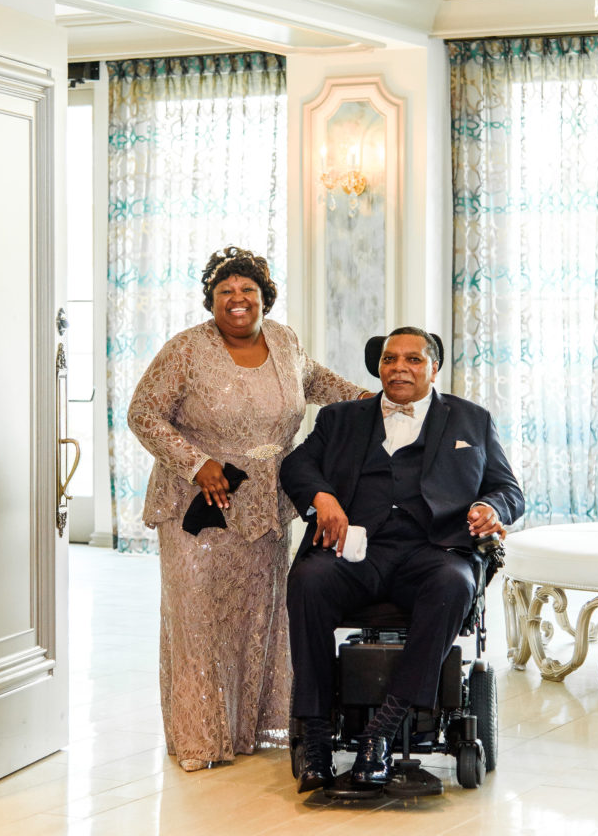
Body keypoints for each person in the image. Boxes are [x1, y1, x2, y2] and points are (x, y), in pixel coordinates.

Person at [127, 246, 369, 773]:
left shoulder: (284, 341)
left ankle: (245, 730)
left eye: (247, 291)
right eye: (225, 292)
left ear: (265, 298)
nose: (237, 300)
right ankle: (198, 738)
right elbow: (143, 414)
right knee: (198, 617)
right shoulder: (185, 350)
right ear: (211, 300)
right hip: (198, 504)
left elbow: (321, 383)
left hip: (264, 505)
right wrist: (196, 464)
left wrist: (380, 402)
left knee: (256, 617)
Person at [281, 326, 524, 793]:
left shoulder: (471, 419)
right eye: (390, 359)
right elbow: (297, 465)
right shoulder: (340, 418)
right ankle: (315, 737)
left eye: (413, 359)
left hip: (432, 552)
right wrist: (322, 497)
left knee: (454, 583)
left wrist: (490, 508)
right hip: (358, 551)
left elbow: (507, 489)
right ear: (378, 367)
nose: (399, 368)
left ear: (434, 367)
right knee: (309, 579)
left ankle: (382, 731)